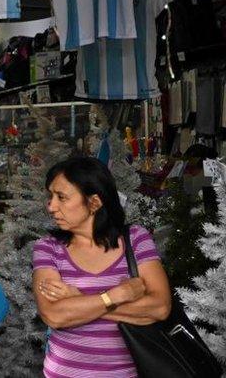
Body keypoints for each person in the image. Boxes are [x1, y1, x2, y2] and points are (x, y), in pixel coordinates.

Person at [32, 157, 172, 378]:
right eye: (50, 196)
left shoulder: (135, 239)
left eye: (62, 197)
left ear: (94, 202)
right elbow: (54, 315)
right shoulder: (48, 248)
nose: (51, 206)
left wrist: (80, 298)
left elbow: (159, 307)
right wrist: (118, 294)